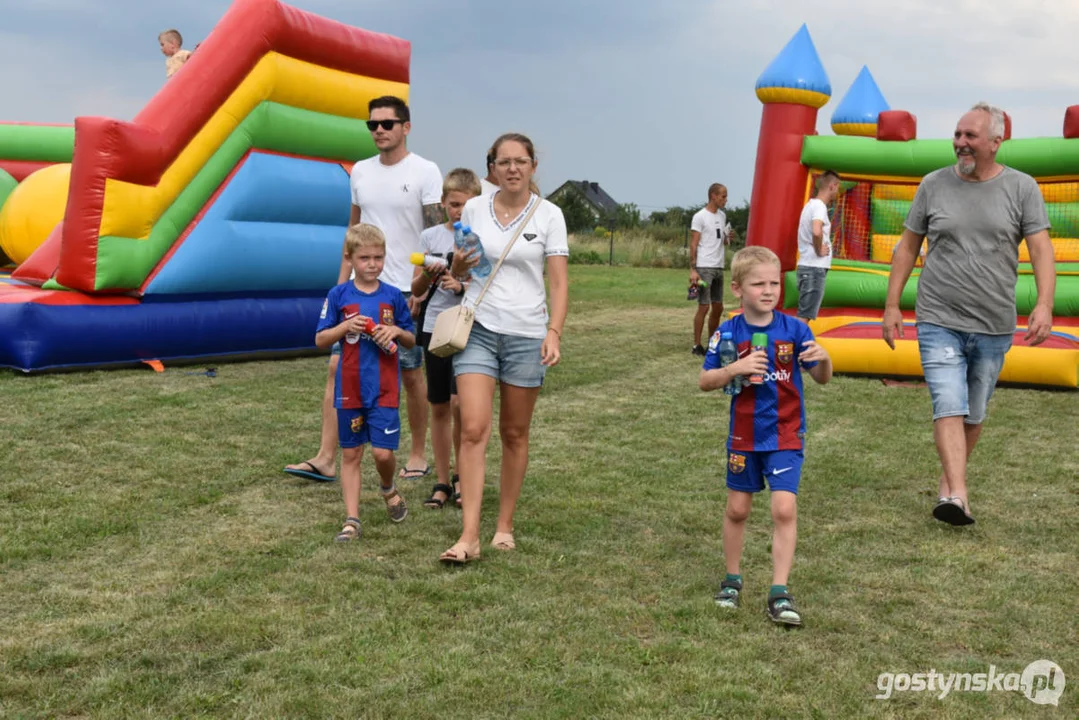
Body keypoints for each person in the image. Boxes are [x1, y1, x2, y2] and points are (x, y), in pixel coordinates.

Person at [883, 102, 1055, 526]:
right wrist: (891, 304)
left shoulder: (1022, 188)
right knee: (949, 403)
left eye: (970, 136)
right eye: (958, 134)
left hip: (994, 323)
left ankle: (948, 483)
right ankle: (958, 497)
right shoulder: (932, 185)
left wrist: (1045, 303)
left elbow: (1041, 250)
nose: (960, 142)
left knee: (973, 412)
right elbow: (907, 247)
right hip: (938, 315)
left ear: (996, 143)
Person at [285, 96, 443, 484]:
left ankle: (419, 454)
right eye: (372, 125)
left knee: (409, 374)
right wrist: (339, 291)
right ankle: (325, 458)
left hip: (405, 291)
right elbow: (351, 236)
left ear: (406, 126)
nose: (379, 131)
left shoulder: (426, 171)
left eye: (387, 124)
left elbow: (437, 237)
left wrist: (422, 290)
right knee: (338, 368)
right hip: (357, 291)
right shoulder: (359, 172)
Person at [438, 133, 569, 564]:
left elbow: (558, 282)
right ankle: (469, 535)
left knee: (514, 432)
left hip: (527, 334)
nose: (512, 168)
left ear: (533, 166)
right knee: (473, 427)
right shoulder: (474, 208)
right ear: (491, 167)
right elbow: (461, 265)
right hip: (477, 325)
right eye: (504, 162)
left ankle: (504, 526)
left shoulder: (550, 215)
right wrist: (459, 263)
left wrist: (554, 332)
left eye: (521, 161)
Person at [699, 246, 832, 626]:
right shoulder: (728, 331)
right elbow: (705, 380)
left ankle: (779, 592)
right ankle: (732, 580)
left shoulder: (795, 330)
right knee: (738, 509)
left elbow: (822, 378)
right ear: (739, 289)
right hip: (743, 437)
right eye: (759, 283)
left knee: (783, 509)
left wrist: (825, 360)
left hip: (786, 434)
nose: (769, 290)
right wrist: (734, 368)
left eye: (775, 282)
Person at [315, 224, 416, 542]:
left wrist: (396, 332)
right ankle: (352, 520)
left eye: (378, 257)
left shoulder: (393, 296)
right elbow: (319, 339)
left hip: (385, 388)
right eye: (365, 258)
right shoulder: (339, 295)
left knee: (382, 455)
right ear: (350, 258)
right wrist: (345, 327)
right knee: (351, 454)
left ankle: (387, 488)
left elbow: (412, 339)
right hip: (350, 389)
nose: (372, 264)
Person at [411, 168, 481, 510]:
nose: (459, 211)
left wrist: (463, 285)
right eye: (454, 204)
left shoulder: (481, 239)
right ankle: (441, 480)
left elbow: (491, 284)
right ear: (443, 203)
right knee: (439, 405)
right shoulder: (431, 237)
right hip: (436, 328)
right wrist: (431, 273)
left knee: (461, 405)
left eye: (466, 205)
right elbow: (416, 288)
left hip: (470, 326)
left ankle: (463, 476)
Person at [689, 184, 738, 356]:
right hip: (704, 266)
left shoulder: (722, 216)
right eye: (723, 196)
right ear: (713, 196)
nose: (726, 200)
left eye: (726, 196)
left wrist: (727, 238)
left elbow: (721, 240)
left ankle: (712, 342)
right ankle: (696, 345)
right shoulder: (700, 217)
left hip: (718, 266)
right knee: (704, 306)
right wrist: (693, 270)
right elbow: (694, 244)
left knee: (718, 307)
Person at [795, 170, 841, 323]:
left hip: (808, 268)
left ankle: (797, 345)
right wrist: (819, 248)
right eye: (838, 188)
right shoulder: (819, 206)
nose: (837, 192)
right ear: (832, 186)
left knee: (804, 313)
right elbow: (816, 230)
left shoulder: (810, 205)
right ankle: (795, 346)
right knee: (804, 316)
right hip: (813, 269)